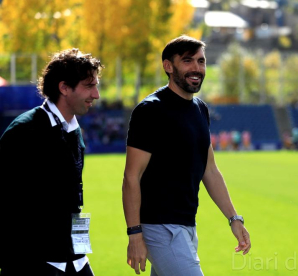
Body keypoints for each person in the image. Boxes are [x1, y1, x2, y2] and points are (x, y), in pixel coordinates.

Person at [122, 35, 251, 276]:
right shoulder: (150, 110)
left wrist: (234, 218)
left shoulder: (200, 109)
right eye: (188, 61)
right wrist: (135, 234)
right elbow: (131, 177)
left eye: (201, 62)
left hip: (187, 228)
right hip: (159, 228)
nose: (197, 68)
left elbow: (210, 170)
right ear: (168, 66)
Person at [0, 49, 103, 276]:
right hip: (32, 263)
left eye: (96, 85)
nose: (96, 94)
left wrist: (79, 251)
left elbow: (73, 201)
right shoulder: (25, 130)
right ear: (64, 88)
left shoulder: (75, 131)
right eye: (89, 86)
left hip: (75, 260)